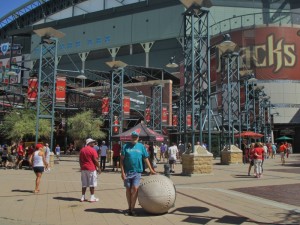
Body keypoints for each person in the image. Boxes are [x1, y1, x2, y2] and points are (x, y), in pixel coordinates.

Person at [120, 131, 156, 216]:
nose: (134, 138)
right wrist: (122, 172)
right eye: (133, 137)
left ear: (138, 138)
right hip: (127, 172)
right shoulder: (125, 146)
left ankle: (132, 209)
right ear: (131, 137)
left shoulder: (141, 147)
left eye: (136, 137)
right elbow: (121, 160)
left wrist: (151, 169)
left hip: (137, 172)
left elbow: (146, 158)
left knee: (135, 188)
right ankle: (129, 208)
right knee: (128, 189)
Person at [79, 138, 101, 202]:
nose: (94, 143)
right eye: (92, 142)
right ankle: (92, 197)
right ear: (89, 143)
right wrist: (99, 168)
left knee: (84, 183)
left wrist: (81, 167)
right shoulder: (92, 150)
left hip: (83, 168)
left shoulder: (82, 150)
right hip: (91, 168)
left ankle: (82, 197)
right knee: (92, 183)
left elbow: (80, 160)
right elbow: (95, 160)